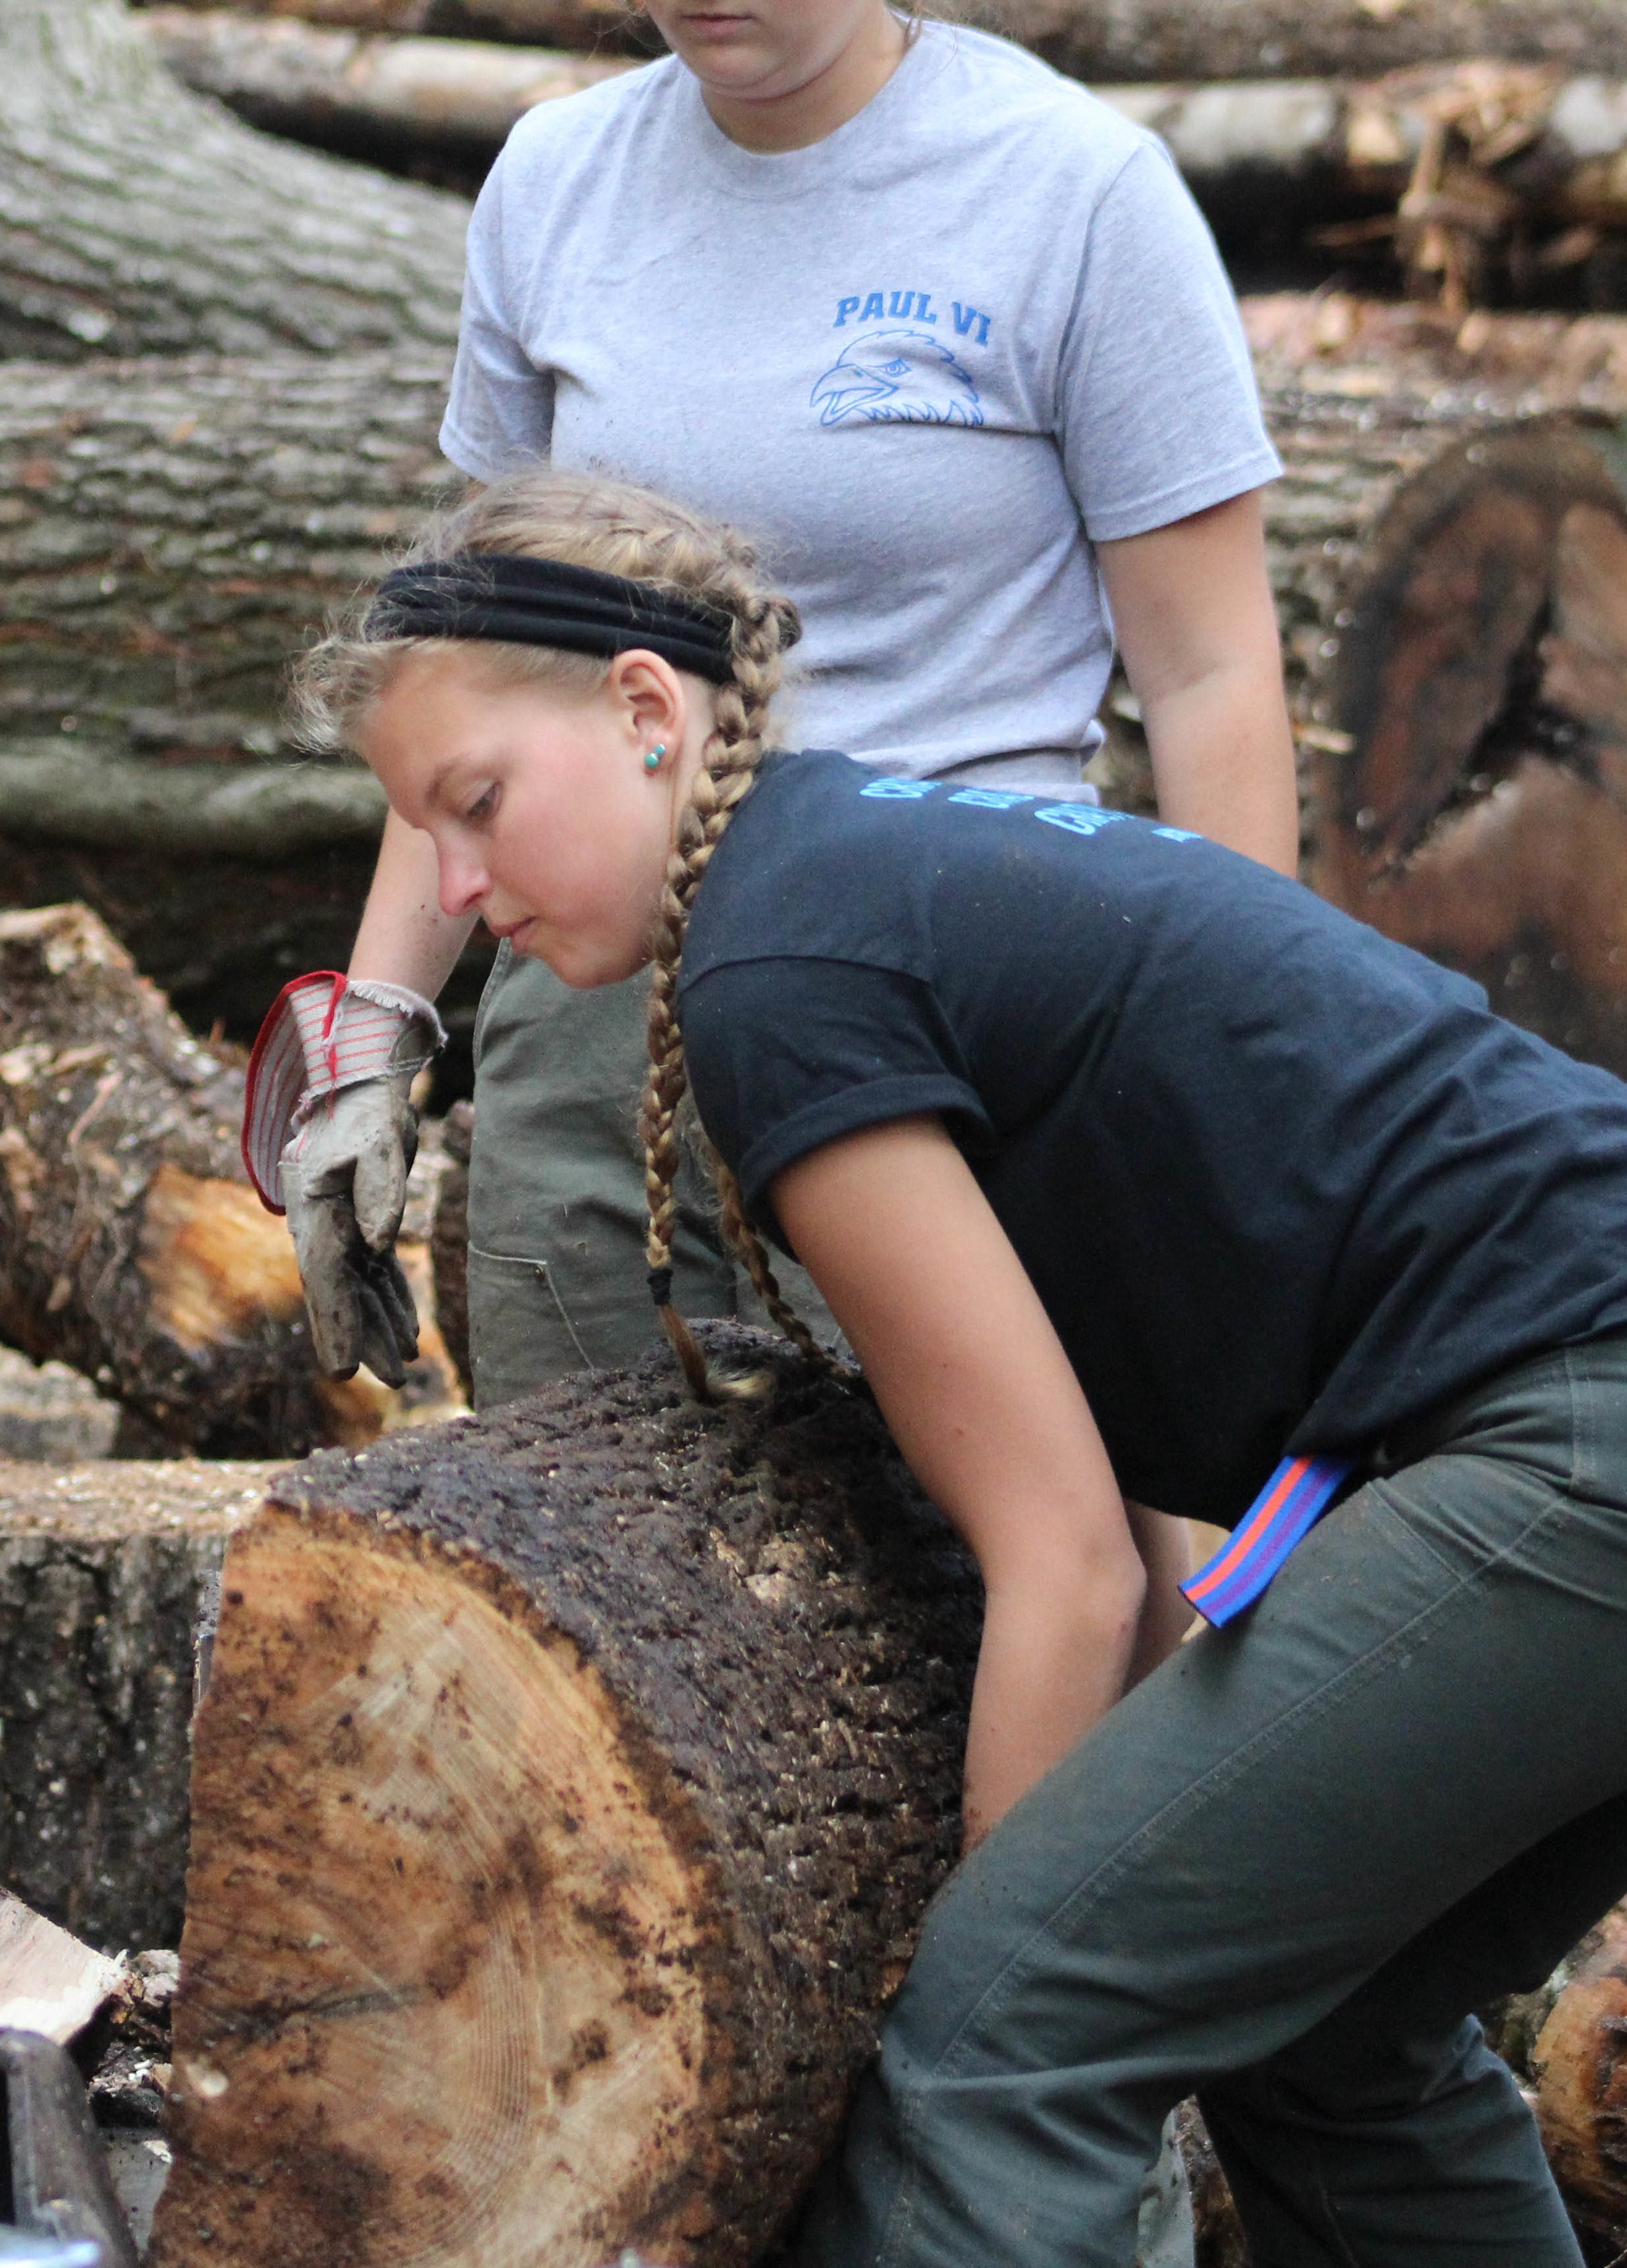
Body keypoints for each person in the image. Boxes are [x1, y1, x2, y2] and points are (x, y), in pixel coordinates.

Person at [294, 470, 1627, 2264]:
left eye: (476, 806)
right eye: (422, 833)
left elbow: (1064, 1558)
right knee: (1337, 2030)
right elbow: (1142, 1531)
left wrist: (1001, 1926)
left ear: (642, 710)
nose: (455, 885)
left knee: (998, 2040)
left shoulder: (784, 958)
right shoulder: (858, 863)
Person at [278, 0, 1300, 1407]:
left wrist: (1234, 1075)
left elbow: (1211, 678)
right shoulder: (558, 180)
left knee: (959, 1541)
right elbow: (480, 684)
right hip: (594, 993)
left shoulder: (1074, 192)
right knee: (578, 1547)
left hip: (942, 1007)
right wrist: (373, 1029)